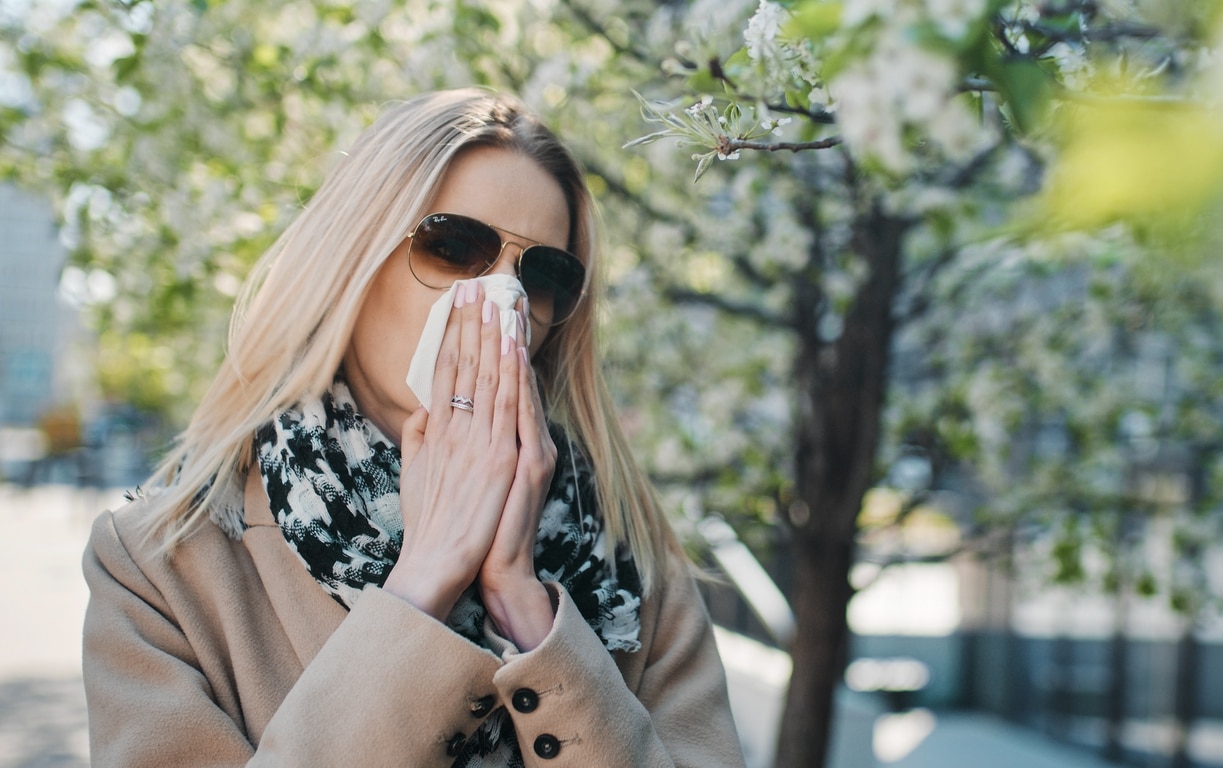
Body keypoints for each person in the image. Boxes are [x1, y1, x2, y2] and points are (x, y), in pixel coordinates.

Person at [82, 88, 745, 767]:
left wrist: (525, 606)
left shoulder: (634, 564)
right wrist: (424, 578)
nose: (502, 298)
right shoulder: (162, 566)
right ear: (353, 261)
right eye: (454, 246)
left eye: (542, 275)